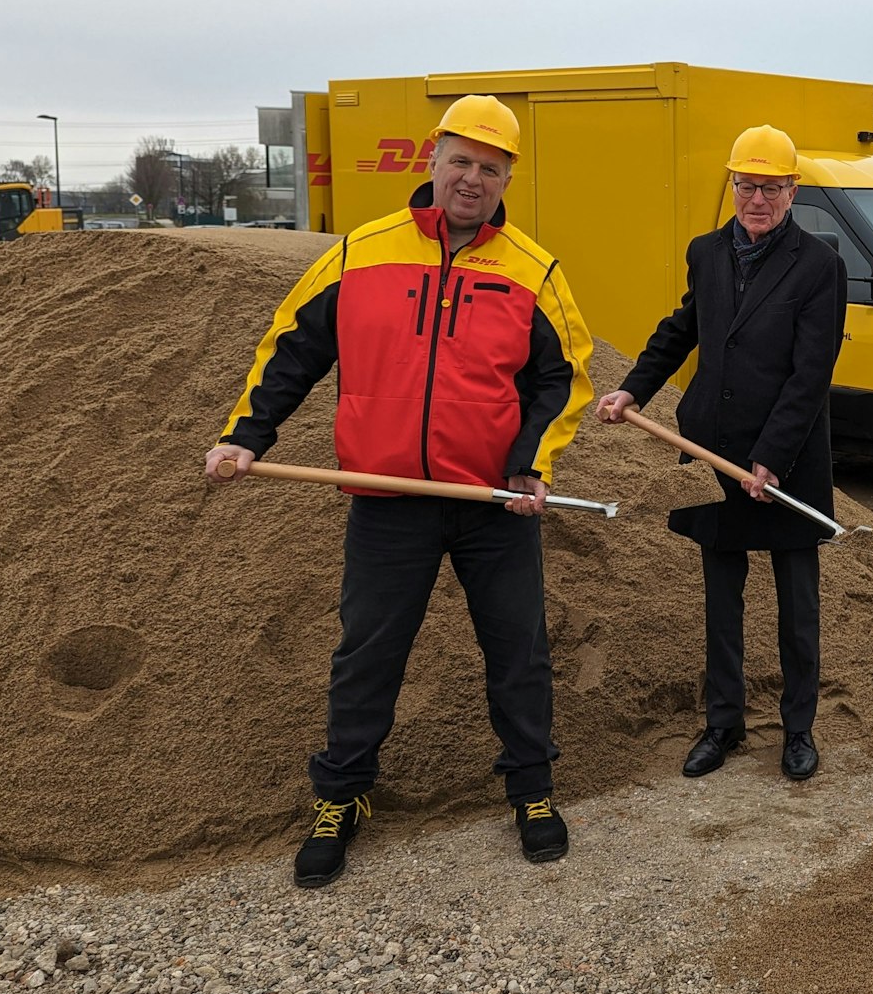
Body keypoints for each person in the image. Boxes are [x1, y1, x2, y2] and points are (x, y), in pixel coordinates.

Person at [205, 95, 594, 887]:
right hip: (387, 499)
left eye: (489, 168)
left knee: (518, 652)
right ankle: (341, 797)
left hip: (491, 503)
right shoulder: (361, 253)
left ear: (508, 176)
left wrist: (531, 461)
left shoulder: (531, 269)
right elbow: (291, 348)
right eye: (460, 160)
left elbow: (566, 378)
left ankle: (532, 790)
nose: (471, 179)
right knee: (368, 655)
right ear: (433, 158)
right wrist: (248, 434)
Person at [595, 125, 846, 783]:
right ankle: (723, 722)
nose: (756, 197)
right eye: (745, 184)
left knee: (797, 602)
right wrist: (632, 390)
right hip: (715, 451)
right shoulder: (706, 253)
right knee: (721, 597)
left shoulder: (820, 265)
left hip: (787, 461)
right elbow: (682, 330)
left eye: (770, 186)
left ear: (793, 191)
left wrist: (772, 456)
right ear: (732, 185)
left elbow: (810, 373)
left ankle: (797, 729)